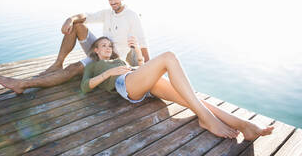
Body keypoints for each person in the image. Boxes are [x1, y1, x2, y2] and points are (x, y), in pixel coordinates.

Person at [81, 36, 275, 140]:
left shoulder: (119, 59)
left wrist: (138, 52)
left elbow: (141, 68)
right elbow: (84, 87)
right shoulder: (93, 66)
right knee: (168, 57)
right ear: (96, 50)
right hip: (124, 84)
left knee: (195, 100)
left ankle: (244, 125)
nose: (107, 48)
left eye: (109, 45)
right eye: (102, 45)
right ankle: (207, 119)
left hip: (141, 82)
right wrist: (108, 74)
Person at [0, 0, 149, 94]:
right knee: (77, 25)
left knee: (73, 69)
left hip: (109, 58)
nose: (113, 2)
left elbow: (142, 44)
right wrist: (70, 18)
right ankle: (57, 63)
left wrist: (148, 72)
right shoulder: (107, 13)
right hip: (99, 48)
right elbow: (85, 16)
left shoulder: (131, 16)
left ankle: (22, 84)